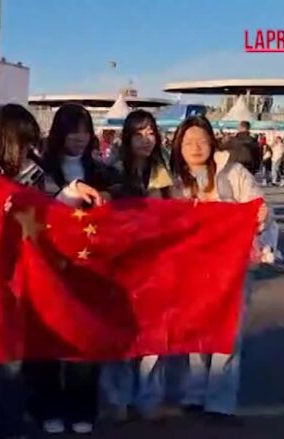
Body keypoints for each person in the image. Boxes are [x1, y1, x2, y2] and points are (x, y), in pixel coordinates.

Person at [0, 104, 102, 439]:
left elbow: (44, 213)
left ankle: (6, 425)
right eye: (24, 142)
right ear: (5, 139)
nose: (31, 150)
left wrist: (72, 194)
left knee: (10, 361)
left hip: (13, 282)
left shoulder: (32, 171)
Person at [170, 116, 274, 420]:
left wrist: (259, 217)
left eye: (201, 140)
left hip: (231, 269)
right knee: (196, 333)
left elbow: (259, 209)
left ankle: (220, 400)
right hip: (191, 270)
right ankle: (195, 392)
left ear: (212, 141)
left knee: (227, 334)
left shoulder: (235, 173)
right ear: (179, 146)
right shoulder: (175, 181)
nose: (195, 147)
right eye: (188, 142)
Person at [22, 104, 111, 435]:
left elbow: (127, 200)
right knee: (46, 339)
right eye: (73, 129)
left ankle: (82, 407)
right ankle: (45, 406)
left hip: (90, 270)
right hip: (47, 266)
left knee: (85, 341)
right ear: (59, 132)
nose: (80, 137)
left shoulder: (101, 170)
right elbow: (27, 206)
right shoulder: (39, 170)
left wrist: (108, 196)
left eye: (85, 130)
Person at [98, 110, 173, 425]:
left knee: (155, 336)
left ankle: (149, 400)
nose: (145, 140)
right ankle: (115, 399)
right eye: (138, 133)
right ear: (127, 137)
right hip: (120, 264)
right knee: (118, 334)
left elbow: (173, 213)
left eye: (151, 133)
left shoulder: (163, 171)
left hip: (156, 263)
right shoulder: (110, 170)